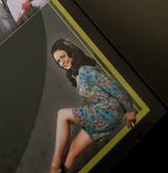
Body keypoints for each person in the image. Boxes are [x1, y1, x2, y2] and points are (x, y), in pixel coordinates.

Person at [49, 39, 137, 172]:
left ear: (71, 53)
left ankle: (54, 167)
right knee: (72, 150)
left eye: (63, 56)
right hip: (101, 114)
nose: (62, 62)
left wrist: (130, 110)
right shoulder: (76, 75)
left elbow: (115, 88)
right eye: (58, 61)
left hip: (110, 110)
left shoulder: (86, 70)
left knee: (62, 114)